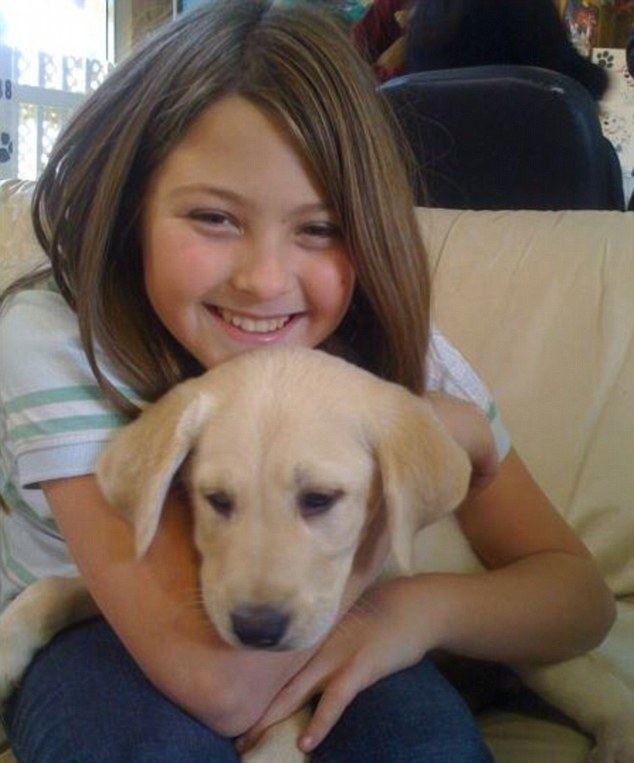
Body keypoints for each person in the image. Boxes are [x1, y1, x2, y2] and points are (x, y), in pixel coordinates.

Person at [0, 2, 615, 761]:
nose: (263, 281)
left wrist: (406, 612)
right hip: (116, 640)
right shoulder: (63, 338)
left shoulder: (399, 358)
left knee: (418, 744)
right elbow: (223, 687)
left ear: (368, 231)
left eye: (319, 227)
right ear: (131, 211)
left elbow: (577, 598)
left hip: (363, 621)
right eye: (214, 217)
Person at [406, 0, 609, 101]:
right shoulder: (525, 6)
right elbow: (579, 81)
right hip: (519, 160)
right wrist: (604, 78)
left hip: (445, 166)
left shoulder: (425, 14)